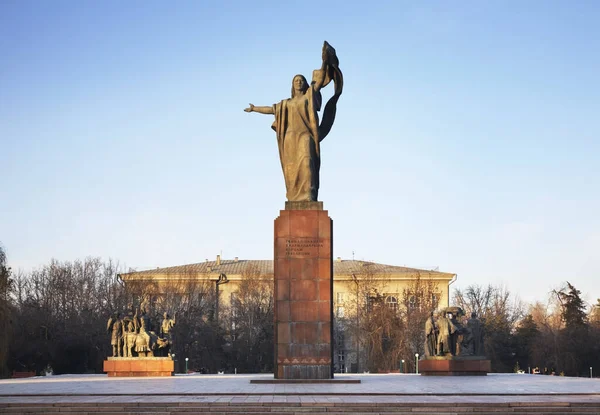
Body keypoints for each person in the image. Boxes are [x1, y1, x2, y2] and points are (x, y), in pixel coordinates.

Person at [244, 41, 343, 202]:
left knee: (307, 163)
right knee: (292, 170)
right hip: (290, 139)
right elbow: (271, 109)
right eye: (295, 80)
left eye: (301, 80)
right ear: (292, 85)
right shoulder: (286, 104)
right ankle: (294, 197)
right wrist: (254, 108)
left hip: (305, 136)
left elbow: (318, 83)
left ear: (304, 84)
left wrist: (324, 61)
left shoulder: (308, 96)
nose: (298, 82)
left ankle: (309, 194)